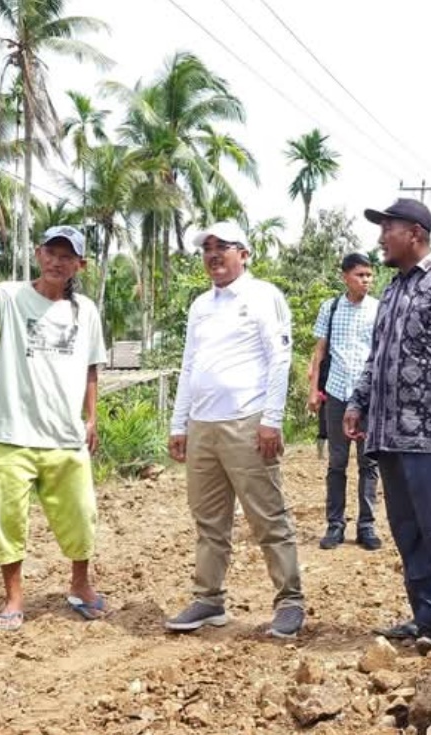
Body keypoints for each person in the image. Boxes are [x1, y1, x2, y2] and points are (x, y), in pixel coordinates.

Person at [343, 198, 431, 653]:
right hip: (387, 435)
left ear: (416, 234)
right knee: (409, 533)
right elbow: (377, 356)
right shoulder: (391, 291)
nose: (381, 237)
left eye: (389, 228)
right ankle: (427, 620)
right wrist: (357, 401)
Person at [0, 225, 108, 632]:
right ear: (38, 254)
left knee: (82, 515)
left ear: (80, 264)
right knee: (7, 520)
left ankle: (81, 586)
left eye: (68, 256)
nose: (58, 261)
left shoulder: (86, 312)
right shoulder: (11, 295)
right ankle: (13, 598)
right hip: (11, 432)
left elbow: (91, 367)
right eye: (51, 252)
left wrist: (92, 416)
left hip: (65, 434)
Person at [166, 221, 305, 639]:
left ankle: (290, 602)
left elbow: (279, 360)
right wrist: (179, 423)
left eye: (222, 246)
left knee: (268, 517)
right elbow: (189, 364)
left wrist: (272, 420)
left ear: (243, 253)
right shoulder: (199, 306)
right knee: (209, 520)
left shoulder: (265, 296)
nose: (213, 254)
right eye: (207, 248)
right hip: (203, 425)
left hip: (248, 422)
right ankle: (209, 600)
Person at [307, 252, 382, 551]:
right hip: (337, 393)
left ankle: (367, 526)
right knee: (337, 463)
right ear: (345, 277)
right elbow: (320, 352)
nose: (366, 280)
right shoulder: (331, 307)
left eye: (369, 275)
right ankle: (335, 525)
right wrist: (314, 391)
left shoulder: (379, 309)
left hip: (368, 397)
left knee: (369, 462)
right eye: (360, 275)